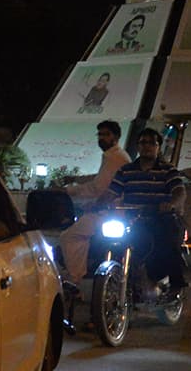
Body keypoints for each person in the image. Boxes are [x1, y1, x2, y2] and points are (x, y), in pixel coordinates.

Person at [103, 128, 188, 297]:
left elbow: (180, 192)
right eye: (143, 143)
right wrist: (97, 204)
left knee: (168, 242)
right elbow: (110, 193)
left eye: (152, 143)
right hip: (133, 220)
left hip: (160, 218)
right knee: (104, 239)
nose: (147, 146)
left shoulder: (168, 170)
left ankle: (176, 283)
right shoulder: (125, 171)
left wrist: (171, 204)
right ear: (138, 146)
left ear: (158, 147)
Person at [58, 120, 132, 291]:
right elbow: (99, 178)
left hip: (107, 211)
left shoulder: (115, 157)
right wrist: (75, 179)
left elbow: (98, 187)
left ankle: (74, 279)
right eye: (100, 134)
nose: (101, 138)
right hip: (108, 209)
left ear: (116, 137)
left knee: (69, 236)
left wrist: (69, 191)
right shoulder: (115, 156)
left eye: (106, 134)